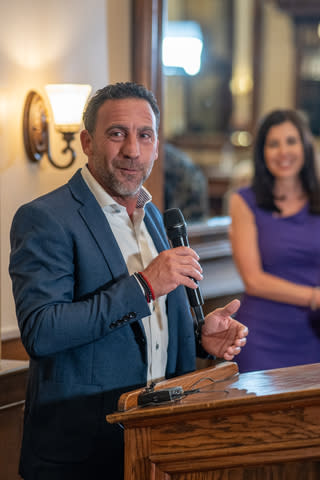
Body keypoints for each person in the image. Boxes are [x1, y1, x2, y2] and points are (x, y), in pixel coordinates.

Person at [9, 81, 248, 480]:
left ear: (157, 145)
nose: (132, 150)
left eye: (145, 135)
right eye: (116, 134)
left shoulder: (153, 216)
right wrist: (145, 285)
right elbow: (42, 331)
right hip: (82, 453)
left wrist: (199, 335)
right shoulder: (46, 218)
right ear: (86, 141)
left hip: (156, 447)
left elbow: (148, 328)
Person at [229, 108, 320, 374]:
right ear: (262, 153)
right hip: (263, 337)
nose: (283, 152)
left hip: (314, 334)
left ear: (304, 146)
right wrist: (315, 296)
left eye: (291, 141)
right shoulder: (244, 201)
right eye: (273, 144)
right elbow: (253, 281)